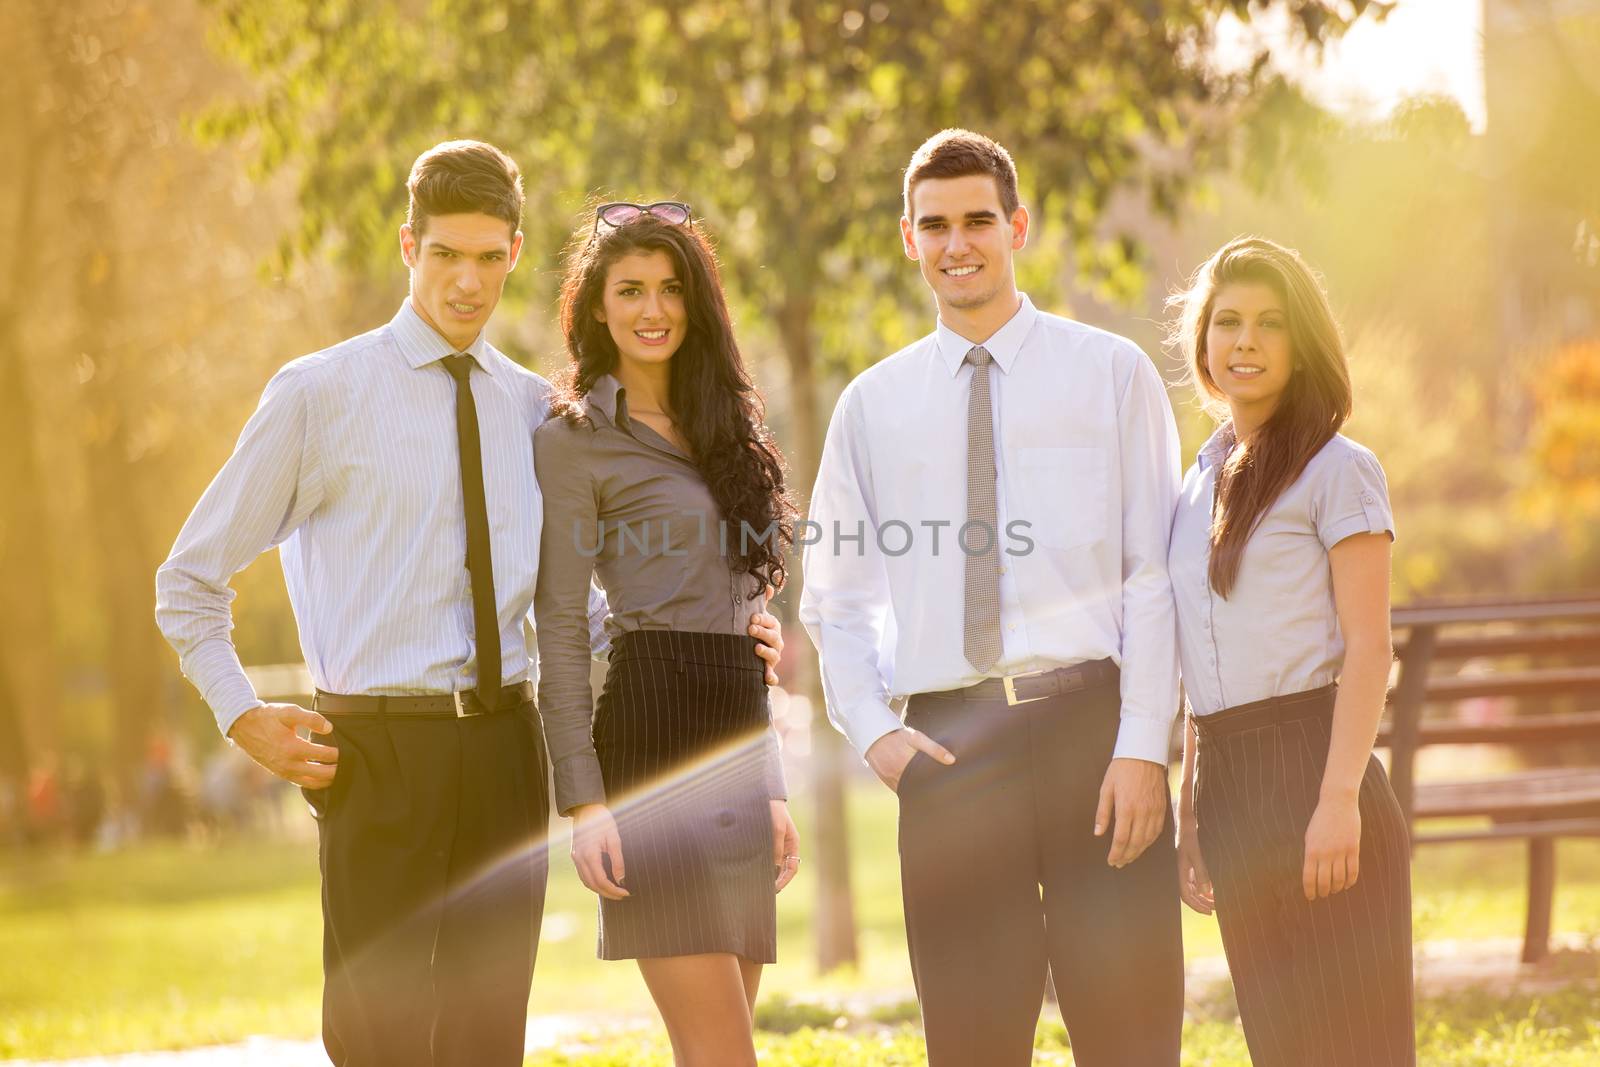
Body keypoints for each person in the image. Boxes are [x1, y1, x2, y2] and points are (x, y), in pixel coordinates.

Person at [154, 145, 785, 1067]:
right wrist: (240, 710)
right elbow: (190, 579)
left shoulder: (539, 412)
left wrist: (717, 630)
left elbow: (571, 604)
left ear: (517, 254)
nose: (467, 281)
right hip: (376, 753)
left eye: (490, 258)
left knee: (487, 1038)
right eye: (446, 253)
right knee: (380, 1036)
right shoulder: (319, 395)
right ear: (409, 245)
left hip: (503, 751)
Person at [799, 128, 1185, 1066]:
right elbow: (834, 597)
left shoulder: (1110, 373)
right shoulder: (871, 406)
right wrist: (876, 734)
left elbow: (1155, 574)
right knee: (970, 1042)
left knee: (1131, 1033)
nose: (957, 243)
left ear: (1018, 225)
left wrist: (1144, 746)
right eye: (935, 224)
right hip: (949, 750)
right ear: (908, 237)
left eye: (978, 219)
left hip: (1093, 737)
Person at [534, 204, 800, 1067]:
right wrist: (584, 801)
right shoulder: (575, 442)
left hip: (735, 722)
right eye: (631, 289)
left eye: (671, 288)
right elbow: (564, 629)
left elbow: (748, 622)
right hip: (649, 728)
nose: (654, 308)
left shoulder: (729, 431)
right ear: (596, 308)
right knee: (725, 1053)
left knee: (718, 1052)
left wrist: (772, 782)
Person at [1169, 236, 1414, 1066]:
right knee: (1282, 1045)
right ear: (1202, 340)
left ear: (1301, 340)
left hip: (1315, 767)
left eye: (1271, 323)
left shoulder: (1339, 470)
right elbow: (1204, 653)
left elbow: (1370, 648)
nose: (1245, 341)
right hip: (1230, 784)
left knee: (1355, 1043)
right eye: (1228, 321)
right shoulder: (1196, 482)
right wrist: (1191, 809)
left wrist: (1338, 797)